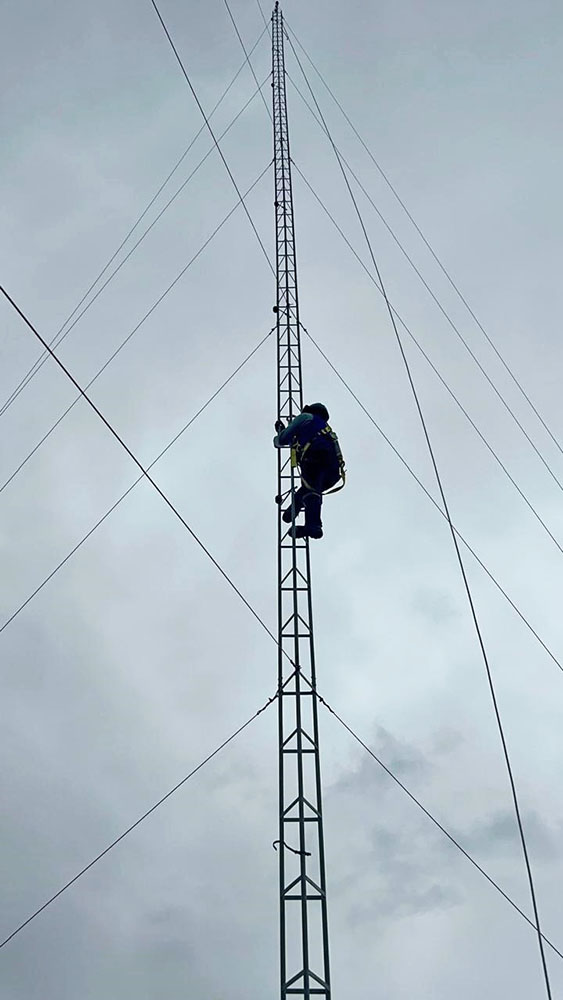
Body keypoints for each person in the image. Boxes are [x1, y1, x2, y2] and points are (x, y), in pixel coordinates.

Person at [273, 403, 345, 539]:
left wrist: (281, 433)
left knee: (311, 490)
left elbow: (281, 440)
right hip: (333, 471)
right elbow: (297, 442)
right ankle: (292, 512)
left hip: (315, 458)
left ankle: (313, 525)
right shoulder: (325, 429)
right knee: (309, 489)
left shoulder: (306, 417)